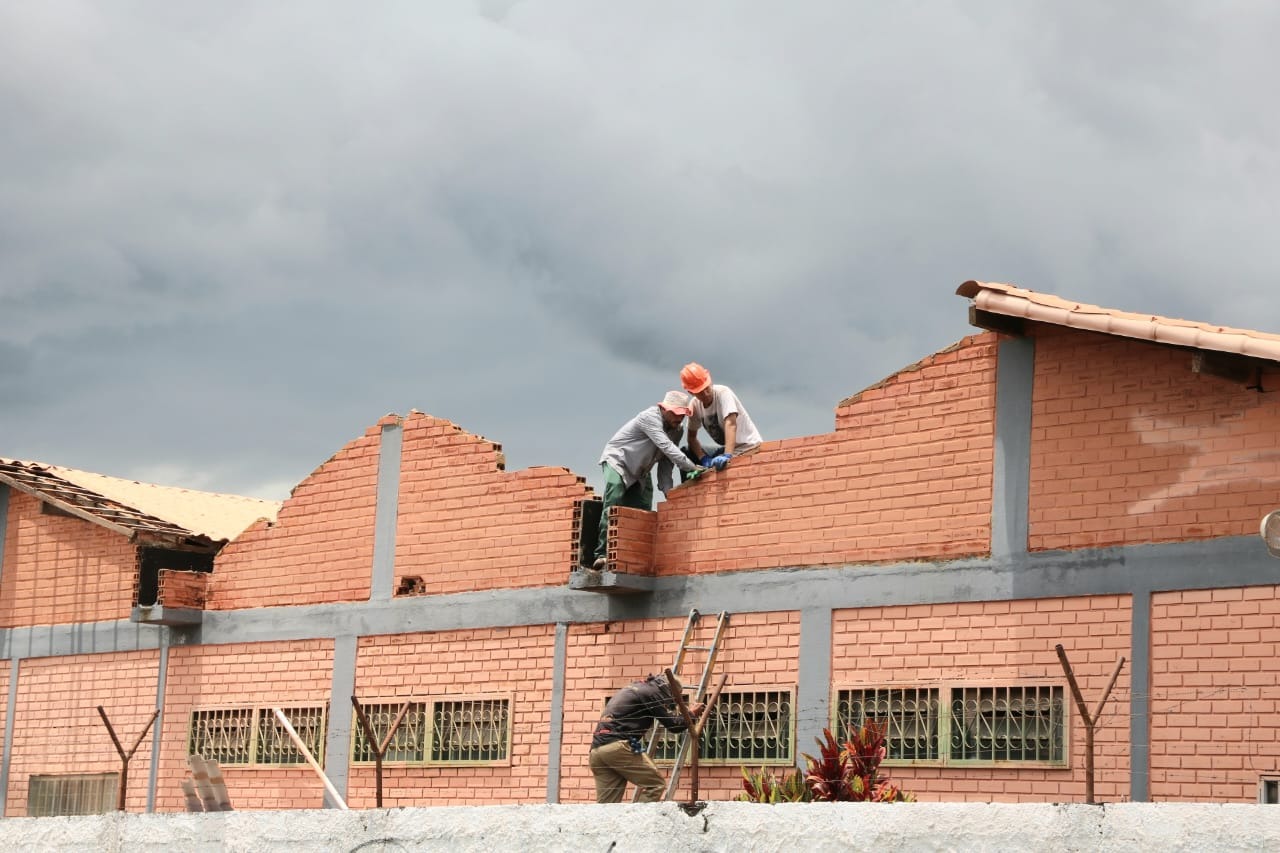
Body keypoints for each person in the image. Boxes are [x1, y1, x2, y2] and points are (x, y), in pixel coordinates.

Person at [591, 390, 703, 570]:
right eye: (676, 414)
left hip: (641, 470)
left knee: (642, 509)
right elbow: (665, 447)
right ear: (664, 409)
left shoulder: (677, 430)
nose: (679, 419)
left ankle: (632, 558)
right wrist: (691, 467)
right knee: (615, 495)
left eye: (682, 415)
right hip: (619, 461)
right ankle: (601, 553)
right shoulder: (649, 418)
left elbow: (666, 463)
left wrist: (669, 493)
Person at [589, 673, 705, 803]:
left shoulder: (636, 687)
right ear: (670, 690)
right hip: (617, 748)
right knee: (655, 785)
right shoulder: (653, 694)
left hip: (597, 752)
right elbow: (674, 726)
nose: (672, 702)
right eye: (674, 697)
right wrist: (691, 714)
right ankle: (637, 821)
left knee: (606, 806)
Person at [679, 362, 763, 471]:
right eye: (700, 392)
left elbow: (731, 424)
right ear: (691, 392)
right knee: (688, 451)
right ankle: (694, 486)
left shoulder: (723, 393)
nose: (705, 393)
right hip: (727, 449)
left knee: (721, 467)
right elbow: (691, 438)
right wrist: (703, 458)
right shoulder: (695, 406)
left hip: (747, 446)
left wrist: (727, 455)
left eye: (706, 388)